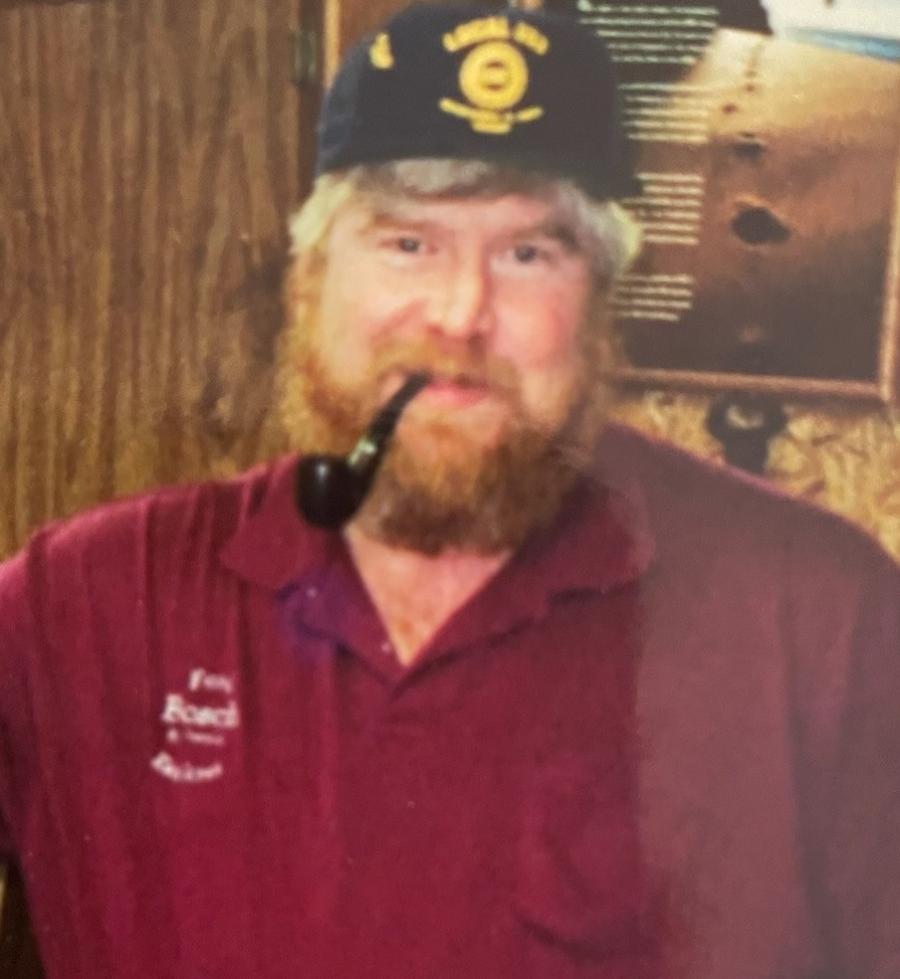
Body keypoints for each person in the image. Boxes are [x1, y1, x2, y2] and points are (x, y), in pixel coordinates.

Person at [0, 5, 897, 978]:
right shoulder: (83, 605)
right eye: (407, 243)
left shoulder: (819, 620)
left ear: (602, 302)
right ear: (310, 282)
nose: (463, 313)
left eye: (528, 253)